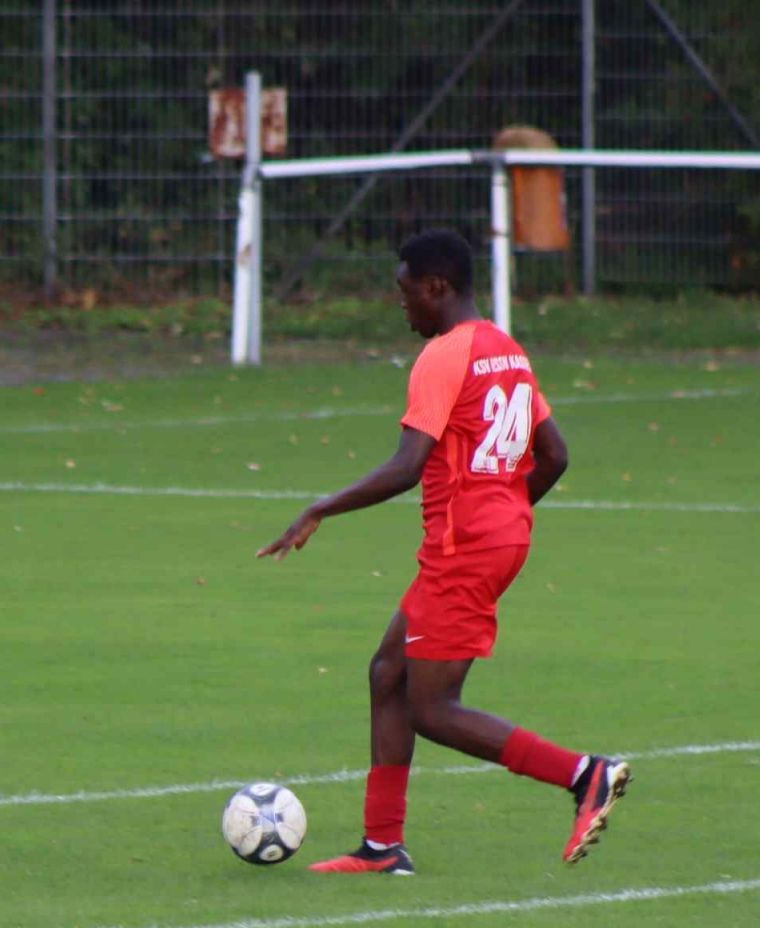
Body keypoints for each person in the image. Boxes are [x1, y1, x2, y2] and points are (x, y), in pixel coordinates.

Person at [257, 230, 630, 874]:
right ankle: (382, 847)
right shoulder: (506, 349)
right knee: (389, 673)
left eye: (406, 293)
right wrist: (504, 508)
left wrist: (321, 508)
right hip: (494, 539)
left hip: (467, 547)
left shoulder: (442, 356)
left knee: (432, 707)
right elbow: (555, 455)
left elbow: (407, 467)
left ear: (437, 287)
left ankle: (583, 774)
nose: (402, 306)